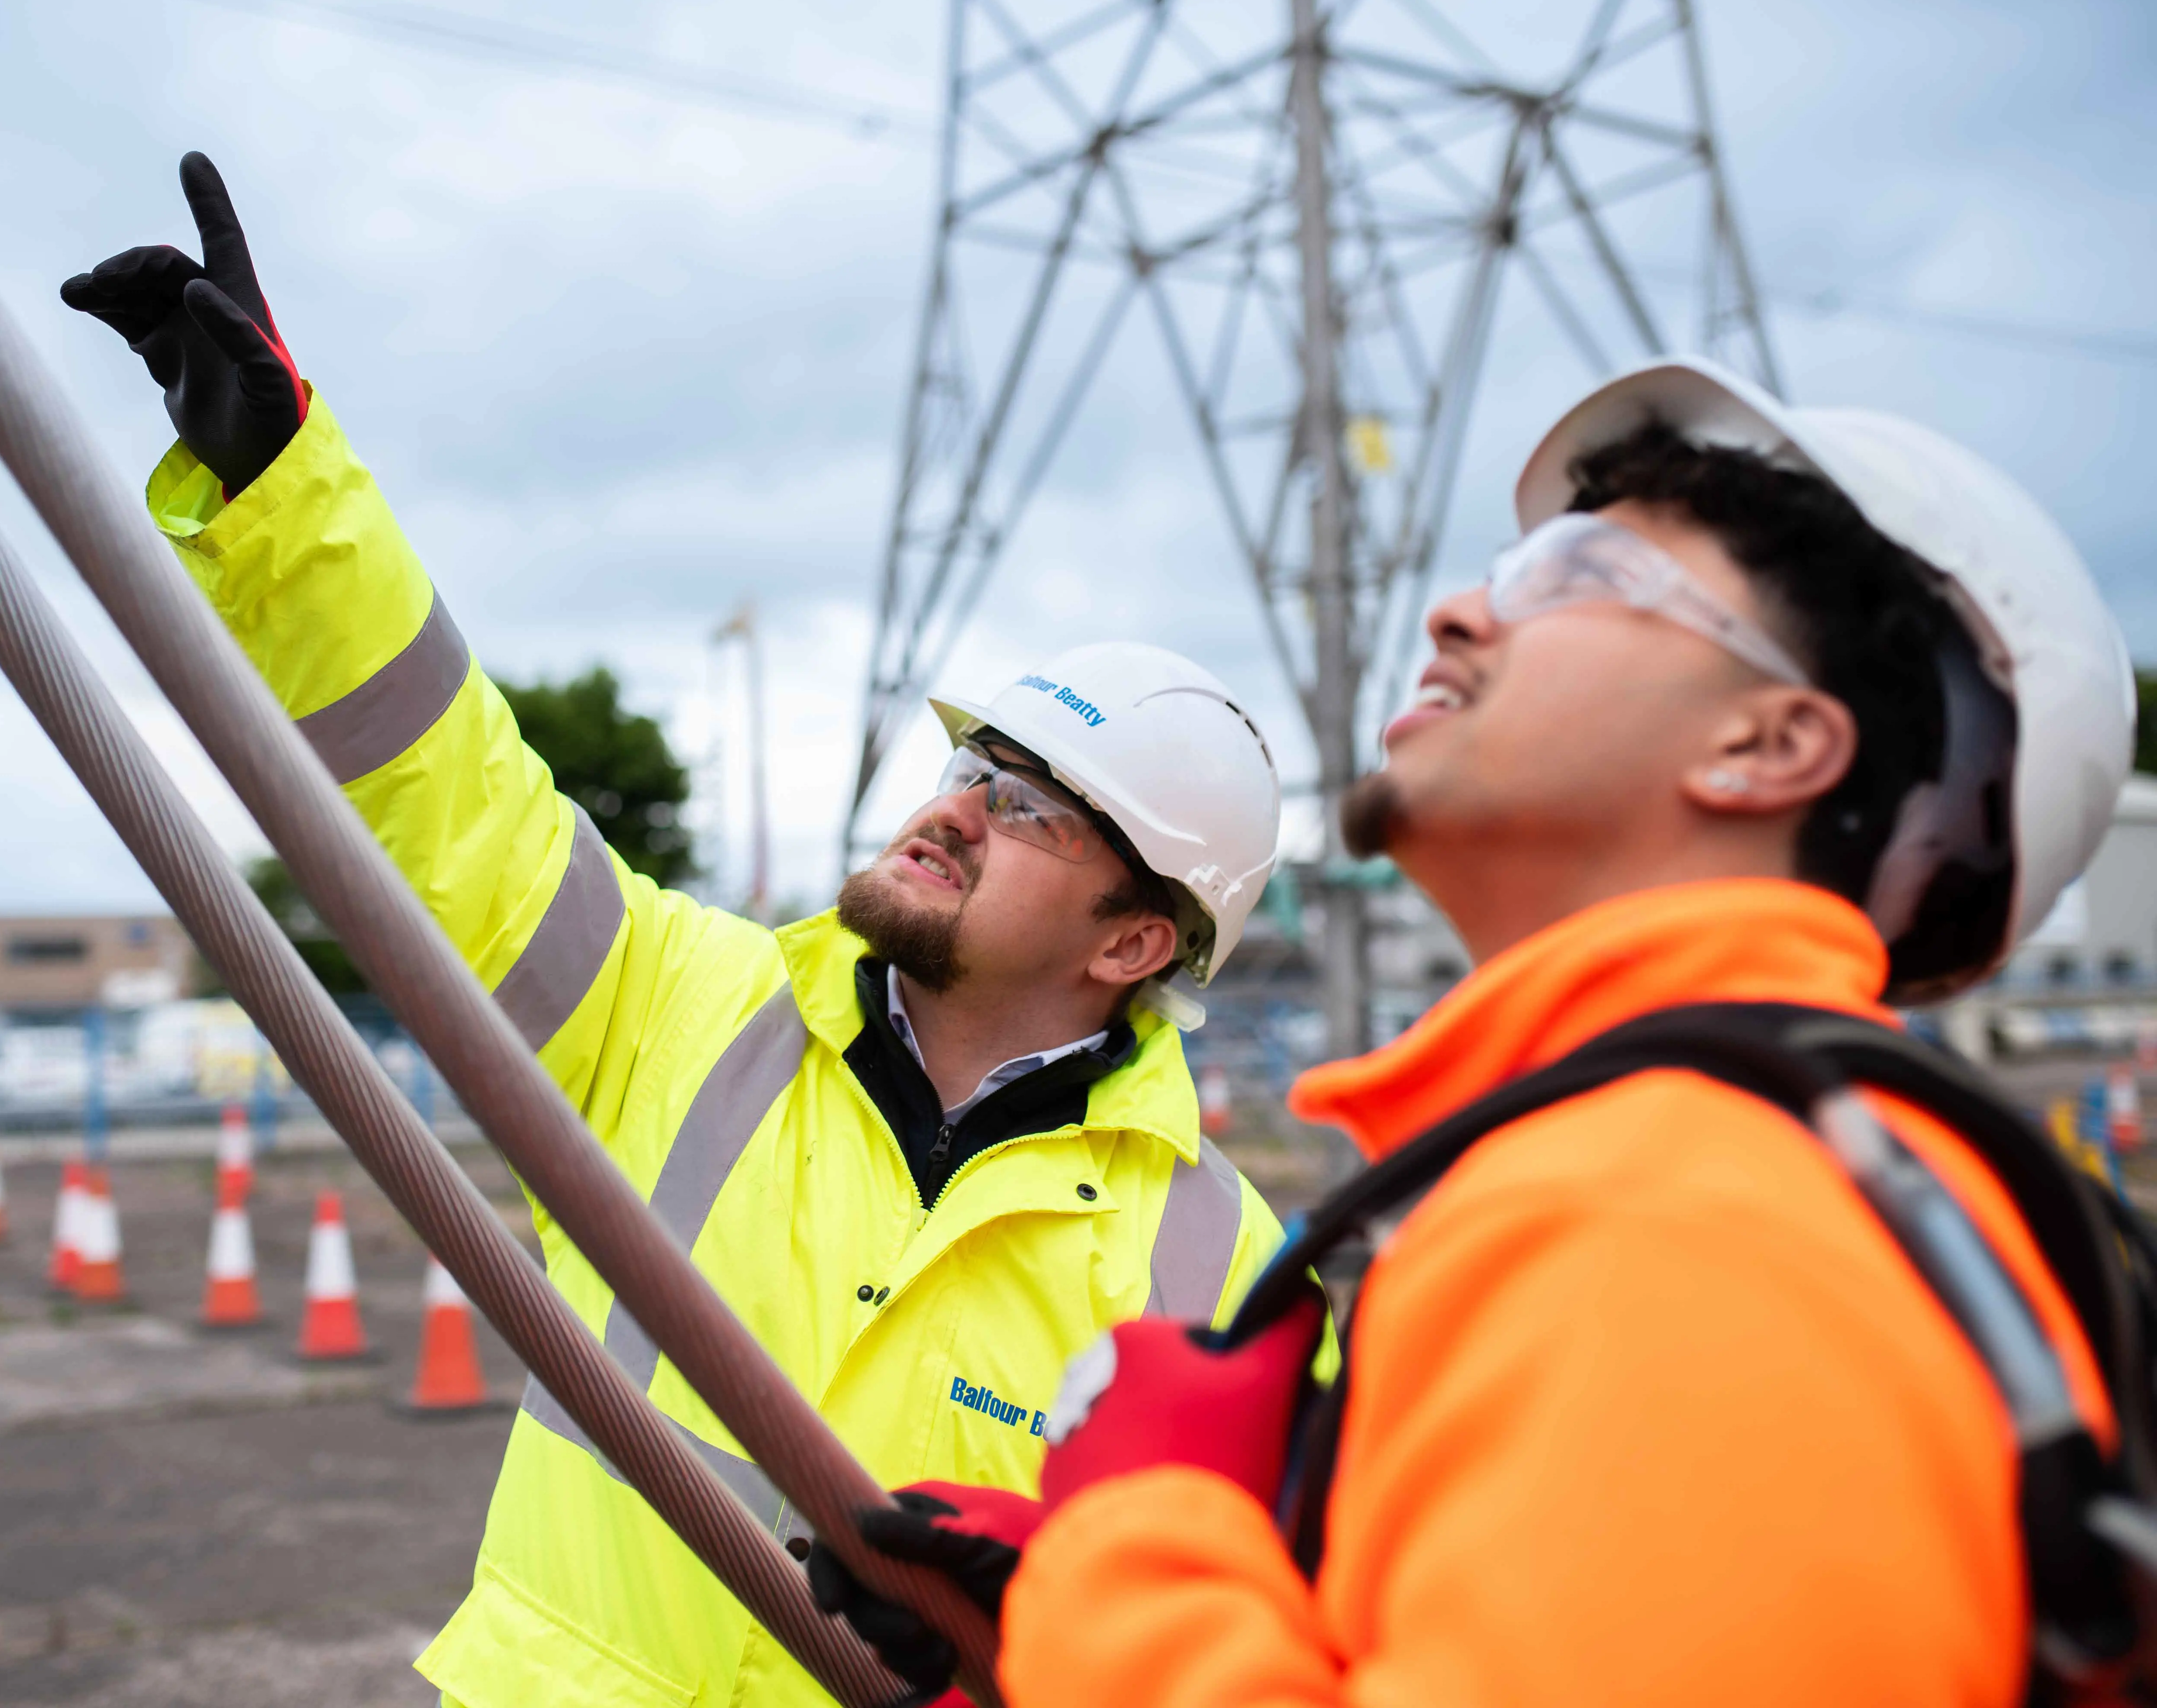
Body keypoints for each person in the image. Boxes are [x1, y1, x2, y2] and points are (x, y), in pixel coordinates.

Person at [61, 152, 1287, 1707]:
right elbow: (443, 794)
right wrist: (282, 485)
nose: (957, 807)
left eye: (1034, 808)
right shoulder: (679, 1005)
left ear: (1132, 945)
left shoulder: (1222, 1272)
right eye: (972, 766)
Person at [814, 355, 2140, 1706]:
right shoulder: (1680, 1161)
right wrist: (1068, 1613)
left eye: (1582, 579)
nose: (1457, 613)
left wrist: (1136, 1543)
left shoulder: (1686, 1207)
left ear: (1772, 744)